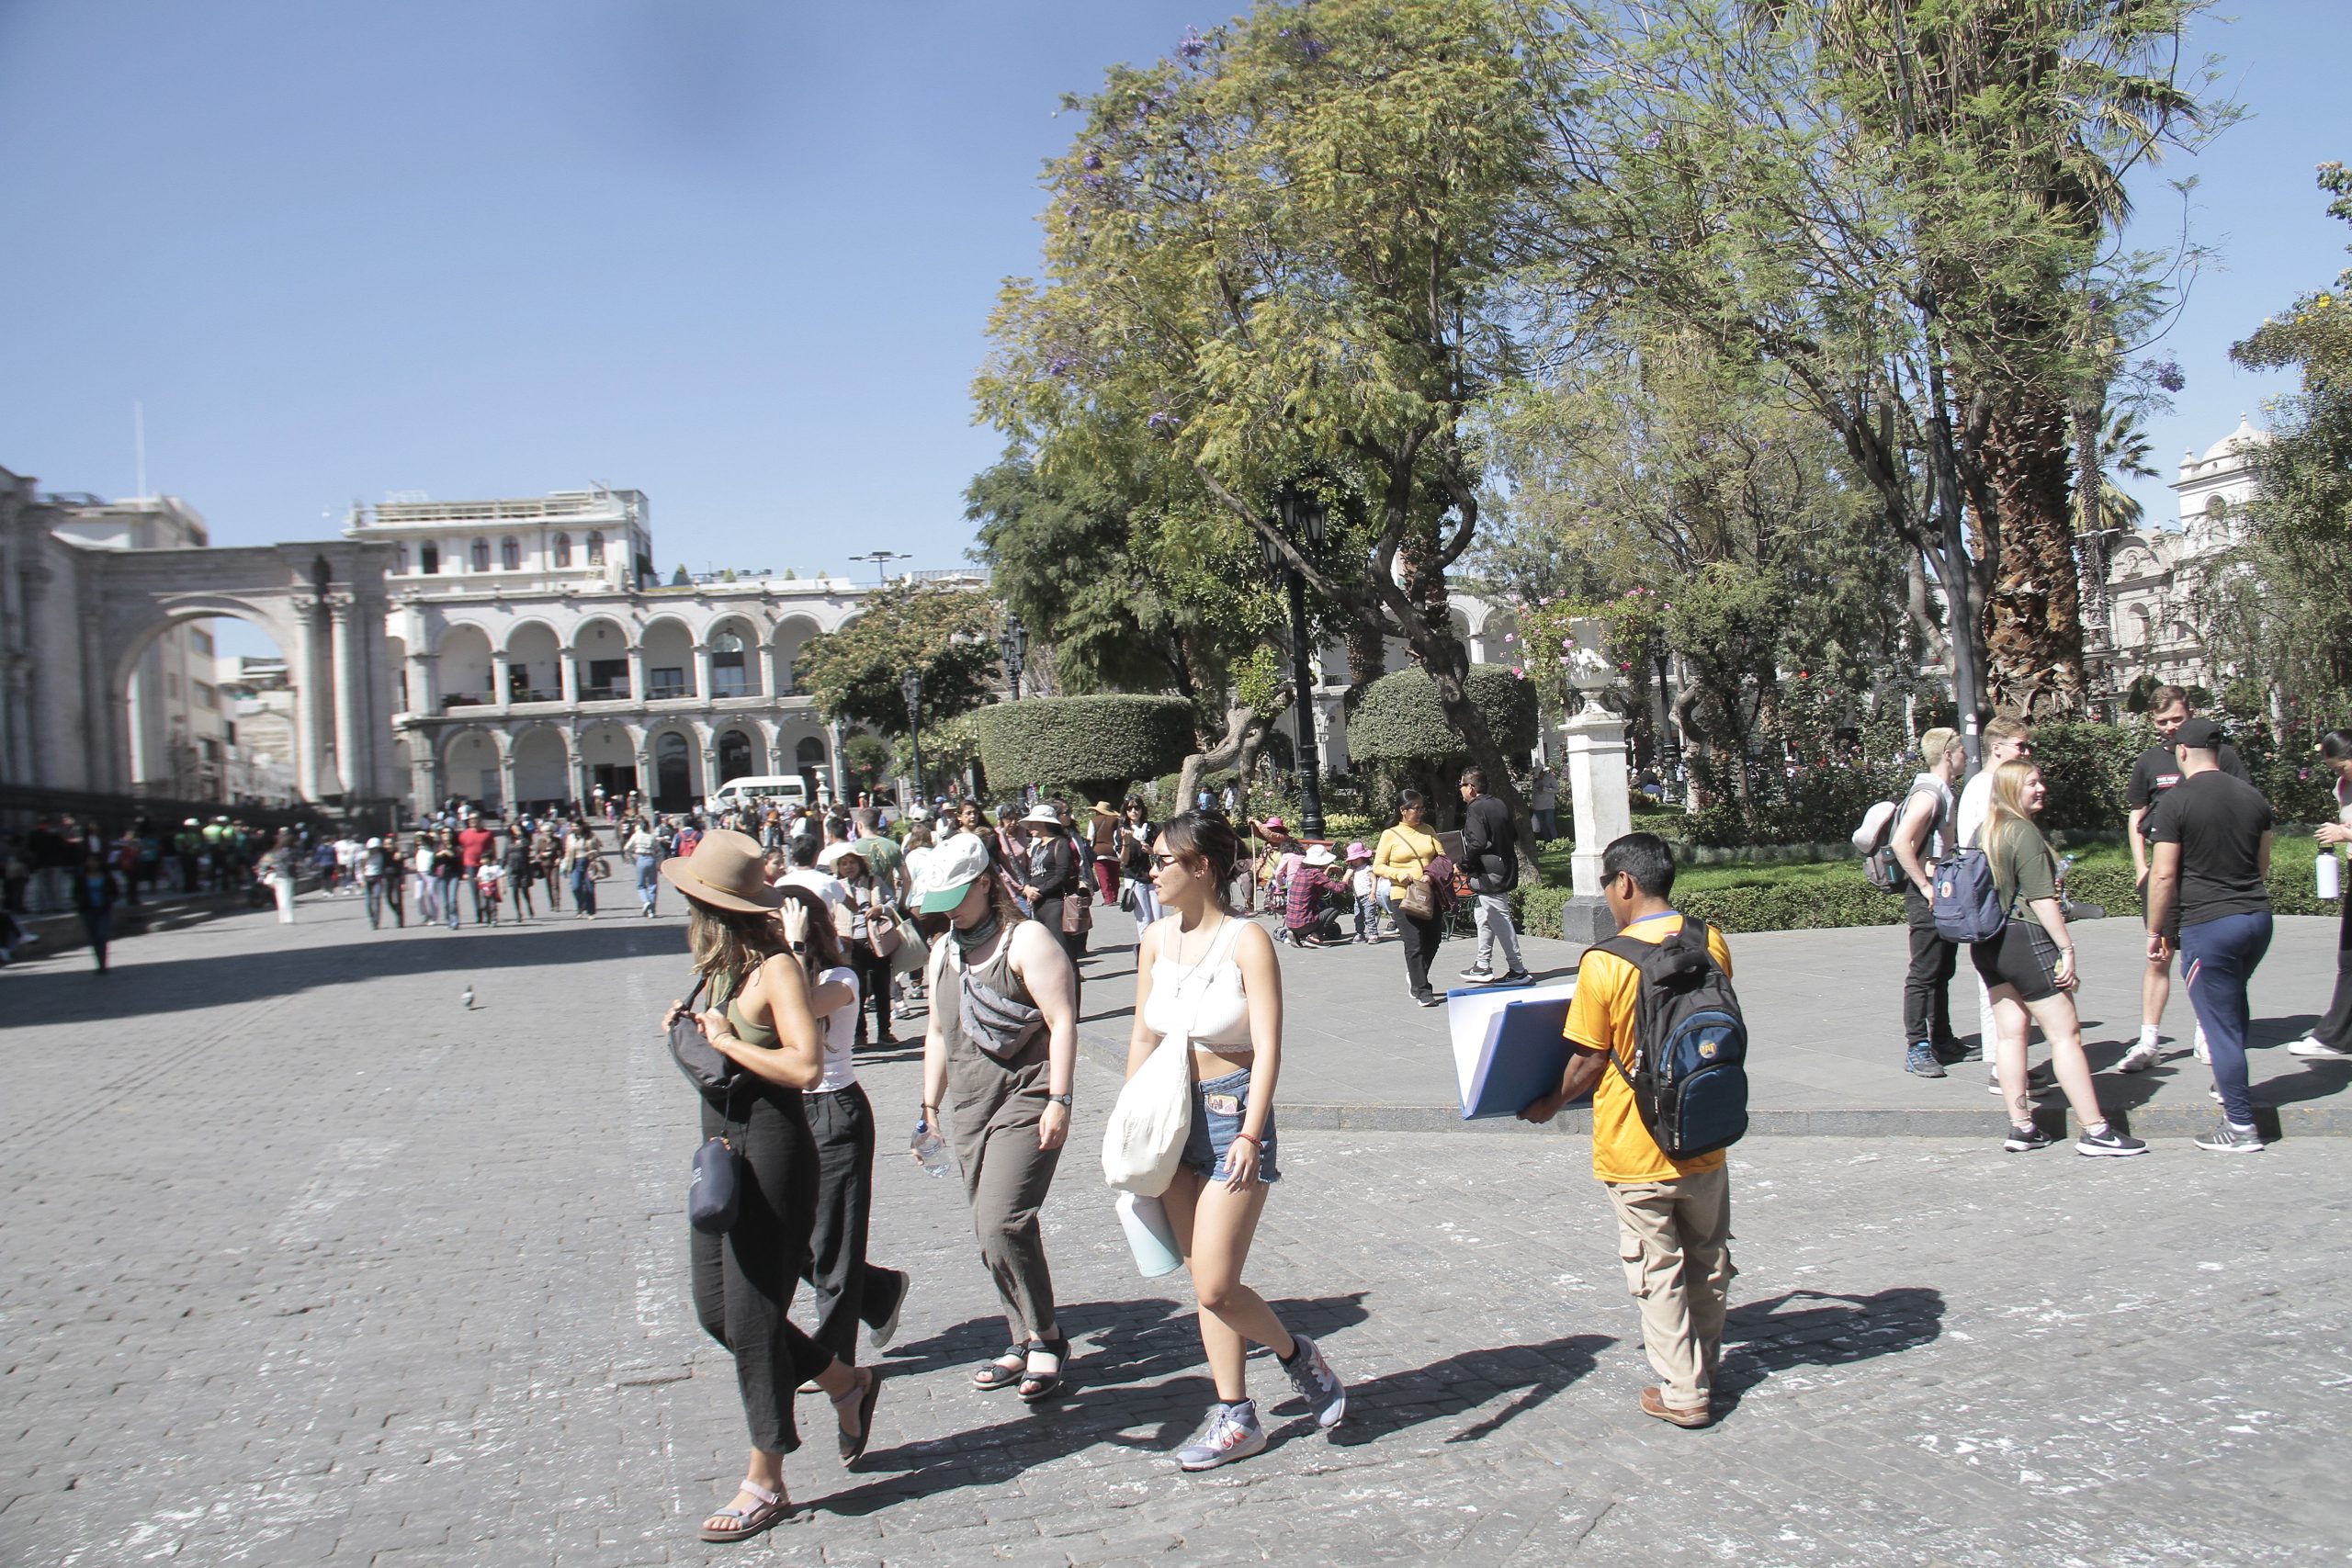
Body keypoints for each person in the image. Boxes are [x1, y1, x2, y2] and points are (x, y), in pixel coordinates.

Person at [658, 832, 884, 1543]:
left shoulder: (776, 968)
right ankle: (845, 1380)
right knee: (718, 1310)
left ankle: (767, 1476)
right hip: (723, 1146)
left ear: (708, 905)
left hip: (776, 1152)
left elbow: (807, 1066)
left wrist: (724, 1040)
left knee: (755, 1320)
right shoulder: (716, 966)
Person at [1125, 811, 1348, 1469]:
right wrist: (1128, 1127)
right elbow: (1142, 1034)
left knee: (1219, 1283)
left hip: (1229, 1114)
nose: (1151, 870)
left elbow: (1271, 1045)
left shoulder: (1247, 940)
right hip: (1168, 1119)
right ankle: (1236, 1415)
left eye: (1162, 859)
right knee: (1201, 1282)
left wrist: (1252, 1127)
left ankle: (1296, 1356)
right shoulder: (1153, 940)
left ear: (1201, 867)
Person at [1518, 832, 1734, 1428]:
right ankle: (1706, 1365)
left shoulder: (1605, 960)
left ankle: (1684, 1390)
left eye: (1607, 887)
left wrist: (1546, 1103)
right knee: (1708, 1257)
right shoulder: (1709, 938)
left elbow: (1588, 1060)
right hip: (1705, 1129)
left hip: (1635, 1142)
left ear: (1626, 884)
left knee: (1656, 1267)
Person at [912, 832, 1080, 1403]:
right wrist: (928, 1107)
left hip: (1027, 1098)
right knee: (991, 1236)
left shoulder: (1026, 940)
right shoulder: (943, 953)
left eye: (957, 897)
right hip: (969, 1107)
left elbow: (1062, 1021)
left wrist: (1060, 1098)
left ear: (986, 883)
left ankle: (1048, 1338)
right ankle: (1023, 1335)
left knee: (1001, 1222)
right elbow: (937, 1033)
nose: (948, 910)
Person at [1971, 761, 2146, 1156]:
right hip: (2026, 939)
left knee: (2011, 1036)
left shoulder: (1984, 831)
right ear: (2014, 788)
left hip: (1988, 944)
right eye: (2032, 783)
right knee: (2065, 1035)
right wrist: (2067, 949)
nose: (2042, 788)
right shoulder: (2023, 832)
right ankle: (2096, 1131)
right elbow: (2041, 900)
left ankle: (2021, 1127)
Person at [2144, 717, 2277, 1153]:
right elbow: (2263, 864)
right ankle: (2228, 1088)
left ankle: (2240, 1125)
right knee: (2233, 1003)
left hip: (2209, 924)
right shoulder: (2252, 796)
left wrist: (2156, 928)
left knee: (2217, 1023)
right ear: (2218, 753)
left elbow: (2163, 875)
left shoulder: (2176, 801)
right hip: (2256, 918)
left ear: (2181, 752)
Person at [2120, 689, 2254, 1073]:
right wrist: (2140, 866)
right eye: (2162, 722)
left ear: (2190, 714)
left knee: (2208, 957)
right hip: (2163, 873)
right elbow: (2136, 815)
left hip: (2208, 873)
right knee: (2158, 954)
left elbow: (2246, 804)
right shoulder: (2148, 762)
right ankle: (2149, 1041)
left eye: (2176, 720)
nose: (2170, 728)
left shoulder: (2221, 757)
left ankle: (2206, 1031)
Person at [1954, 717, 2033, 1088]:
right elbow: (1987, 842)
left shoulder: (1982, 784)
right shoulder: (1987, 786)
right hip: (1991, 895)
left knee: (2001, 987)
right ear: (1997, 747)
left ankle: (2006, 1065)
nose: (2026, 752)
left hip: (1990, 893)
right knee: (2000, 989)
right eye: (2020, 746)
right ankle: (2003, 1067)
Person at [1891, 728, 1966, 1077]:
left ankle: (1942, 1038)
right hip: (1930, 894)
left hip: (1942, 891)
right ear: (1948, 754)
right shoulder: (1930, 794)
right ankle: (1917, 1046)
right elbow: (1901, 842)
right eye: (1963, 749)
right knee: (1923, 972)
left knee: (1941, 969)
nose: (1967, 755)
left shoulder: (1941, 790)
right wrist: (1924, 886)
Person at [2289, 729, 2352, 1060]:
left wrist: (2344, 833)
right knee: (2348, 959)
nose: (2339, 774)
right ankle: (2338, 1034)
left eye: (2342, 767)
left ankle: (2334, 1036)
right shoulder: (2344, 787)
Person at [1457, 766, 1532, 986]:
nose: (1460, 790)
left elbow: (1477, 842)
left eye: (1461, 785)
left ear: (1471, 787)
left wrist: (1463, 862)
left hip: (1489, 873)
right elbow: (1514, 834)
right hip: (1504, 866)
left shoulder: (1475, 808)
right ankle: (1482, 966)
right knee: (1484, 916)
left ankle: (1518, 970)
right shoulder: (1498, 804)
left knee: (1499, 919)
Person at [1373, 791, 1447, 1007]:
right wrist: (1398, 875)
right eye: (1416, 808)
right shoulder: (1390, 835)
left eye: (1422, 807)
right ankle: (1423, 990)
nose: (1421, 812)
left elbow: (1442, 857)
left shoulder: (1428, 830)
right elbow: (1378, 866)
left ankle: (1416, 977)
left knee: (1433, 940)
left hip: (1427, 893)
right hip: (1402, 895)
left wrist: (1430, 874)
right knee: (1414, 943)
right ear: (1403, 811)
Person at [820, 841, 895, 1047]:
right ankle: (859, 1035)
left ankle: (884, 1031)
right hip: (849, 945)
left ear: (860, 863)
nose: (848, 866)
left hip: (876, 942)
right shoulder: (836, 887)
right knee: (856, 991)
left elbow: (892, 902)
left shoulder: (874, 882)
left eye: (852, 862)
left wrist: (881, 909)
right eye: (843, 863)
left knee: (882, 988)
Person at [1018, 803, 1080, 958]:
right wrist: (1027, 887)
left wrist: (1040, 891)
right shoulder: (1038, 846)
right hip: (1038, 904)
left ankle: (1072, 979)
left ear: (1044, 823)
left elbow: (1062, 874)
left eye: (1033, 822)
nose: (1030, 826)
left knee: (1061, 948)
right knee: (1045, 950)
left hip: (1054, 903)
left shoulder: (1060, 843)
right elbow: (1031, 871)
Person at [1283, 843, 1348, 947]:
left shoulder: (1301, 871)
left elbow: (1316, 883)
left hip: (1290, 922)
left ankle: (1297, 934)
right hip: (1304, 922)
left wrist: (1327, 870)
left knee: (1312, 909)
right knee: (1336, 907)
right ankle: (1315, 937)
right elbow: (1338, 889)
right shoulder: (1315, 874)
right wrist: (1346, 877)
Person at [1118, 798, 1159, 928]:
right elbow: (1124, 861)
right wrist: (1126, 841)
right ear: (1125, 811)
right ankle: (1145, 946)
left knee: (1158, 918)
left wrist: (1150, 851)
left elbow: (1160, 853)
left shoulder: (1151, 828)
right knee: (1143, 920)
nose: (1134, 811)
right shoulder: (1122, 831)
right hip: (1134, 877)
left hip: (1152, 876)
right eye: (1129, 809)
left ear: (1142, 809)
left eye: (1137, 808)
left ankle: (1159, 946)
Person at [72, 852, 117, 971]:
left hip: (103, 910)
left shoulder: (106, 877)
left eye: (95, 861)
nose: (92, 863)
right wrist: (80, 902)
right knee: (94, 937)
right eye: (90, 861)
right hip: (88, 910)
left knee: (102, 935)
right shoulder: (82, 877)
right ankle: (99, 963)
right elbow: (75, 893)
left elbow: (115, 892)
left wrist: (109, 900)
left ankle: (103, 963)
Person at [458, 813, 496, 924]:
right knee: (474, 892)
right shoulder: (464, 835)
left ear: (480, 820)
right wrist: (463, 870)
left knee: (486, 891)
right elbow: (461, 852)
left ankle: (488, 914)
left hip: (484, 866)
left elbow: (493, 849)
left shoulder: (488, 834)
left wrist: (494, 865)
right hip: (470, 866)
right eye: (471, 819)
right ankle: (478, 914)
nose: (473, 820)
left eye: (475, 818)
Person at [258, 829, 300, 924]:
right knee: (287, 897)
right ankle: (289, 918)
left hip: (276, 875)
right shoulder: (290, 852)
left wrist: (262, 875)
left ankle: (282, 918)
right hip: (286, 875)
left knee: (280, 897)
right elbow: (292, 863)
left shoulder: (274, 851)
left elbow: (263, 862)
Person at [626, 816, 662, 919]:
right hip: (651, 859)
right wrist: (660, 864)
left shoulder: (636, 836)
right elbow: (659, 851)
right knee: (653, 885)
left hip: (640, 859)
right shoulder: (652, 837)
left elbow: (627, 848)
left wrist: (632, 860)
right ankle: (652, 911)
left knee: (641, 885)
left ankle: (646, 901)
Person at [562, 818, 600, 918]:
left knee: (589, 888)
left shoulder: (590, 836)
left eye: (576, 826)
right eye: (573, 826)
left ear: (582, 826)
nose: (574, 828)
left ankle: (590, 912)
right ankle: (581, 905)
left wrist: (593, 852)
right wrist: (565, 866)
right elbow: (567, 852)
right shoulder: (570, 837)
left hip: (588, 863)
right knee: (575, 887)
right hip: (575, 863)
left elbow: (597, 848)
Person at [1087, 802, 1123, 905]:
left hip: (1099, 852)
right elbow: (1118, 836)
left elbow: (1091, 837)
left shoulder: (1094, 821)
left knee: (1104, 877)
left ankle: (1108, 899)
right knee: (1114, 876)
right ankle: (1115, 897)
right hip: (1114, 851)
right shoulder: (1116, 820)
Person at [1345, 841, 1378, 943]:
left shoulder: (1367, 868)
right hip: (1357, 896)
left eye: (1356, 859)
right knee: (1358, 916)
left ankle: (1373, 933)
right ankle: (1360, 933)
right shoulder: (1353, 870)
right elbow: (1349, 883)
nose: (1354, 862)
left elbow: (1374, 880)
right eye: (1352, 860)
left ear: (1363, 858)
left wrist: (1373, 892)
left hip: (1367, 895)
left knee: (1369, 916)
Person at [431, 831, 464, 930]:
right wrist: (439, 854)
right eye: (444, 834)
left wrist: (450, 853)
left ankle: (455, 921)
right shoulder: (438, 846)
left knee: (452, 899)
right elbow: (434, 860)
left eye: (448, 834)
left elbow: (458, 858)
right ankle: (448, 920)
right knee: (445, 901)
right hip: (442, 875)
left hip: (454, 874)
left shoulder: (456, 846)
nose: (446, 836)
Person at [501, 830, 536, 921]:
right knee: (514, 891)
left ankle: (529, 906)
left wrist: (521, 836)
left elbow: (528, 847)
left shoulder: (524, 840)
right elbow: (505, 855)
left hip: (524, 869)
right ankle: (518, 913)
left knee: (525, 891)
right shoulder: (508, 841)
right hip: (512, 869)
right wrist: (501, 868)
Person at [1529, 766, 1560, 841]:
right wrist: (1533, 804)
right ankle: (1547, 841)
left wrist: (1545, 789)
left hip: (1549, 805)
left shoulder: (1550, 777)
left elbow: (1556, 790)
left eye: (1539, 775)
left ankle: (1555, 841)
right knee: (1542, 825)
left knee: (1550, 823)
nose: (1539, 777)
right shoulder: (1535, 780)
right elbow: (1533, 793)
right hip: (1538, 807)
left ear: (1542, 772)